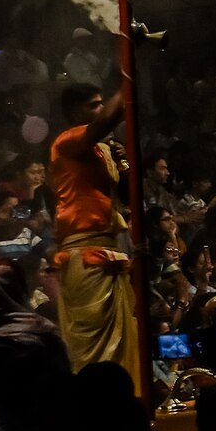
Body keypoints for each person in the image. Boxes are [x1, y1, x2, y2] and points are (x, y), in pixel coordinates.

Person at [50, 83, 140, 392]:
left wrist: (124, 162)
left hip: (112, 249)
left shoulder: (104, 149)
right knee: (90, 350)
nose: (100, 110)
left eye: (102, 103)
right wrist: (128, 78)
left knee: (123, 345)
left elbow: (130, 199)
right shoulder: (66, 142)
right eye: (93, 105)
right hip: (84, 254)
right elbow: (105, 122)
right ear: (74, 112)